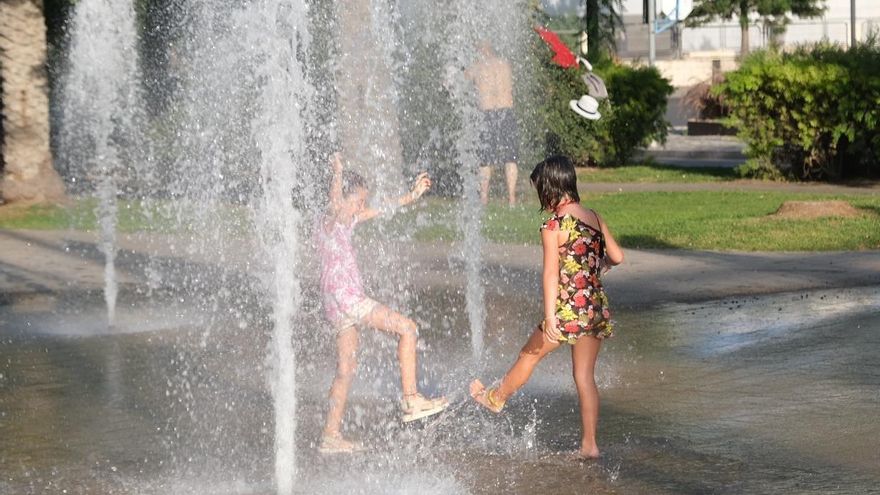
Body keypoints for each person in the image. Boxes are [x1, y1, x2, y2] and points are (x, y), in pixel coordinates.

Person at [469, 155, 624, 459]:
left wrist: (551, 316)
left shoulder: (554, 225)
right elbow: (617, 257)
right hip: (593, 306)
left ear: (550, 187)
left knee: (529, 354)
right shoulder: (593, 216)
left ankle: (496, 398)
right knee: (584, 376)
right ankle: (590, 445)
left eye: (539, 189)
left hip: (567, 309)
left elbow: (551, 273)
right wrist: (595, 268)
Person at [317, 152, 449, 454]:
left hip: (336, 305)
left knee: (346, 369)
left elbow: (379, 209)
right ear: (343, 197)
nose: (362, 206)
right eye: (358, 200)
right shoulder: (332, 217)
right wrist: (337, 171)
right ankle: (411, 398)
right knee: (407, 329)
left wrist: (411, 196)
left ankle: (330, 435)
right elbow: (336, 203)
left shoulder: (346, 220)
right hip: (348, 299)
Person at [464, 41, 520, 206]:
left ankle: (484, 197)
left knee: (485, 158)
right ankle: (511, 198)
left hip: (486, 113)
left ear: (482, 49)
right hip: (506, 111)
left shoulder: (477, 66)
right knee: (511, 157)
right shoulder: (505, 65)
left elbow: (458, 81)